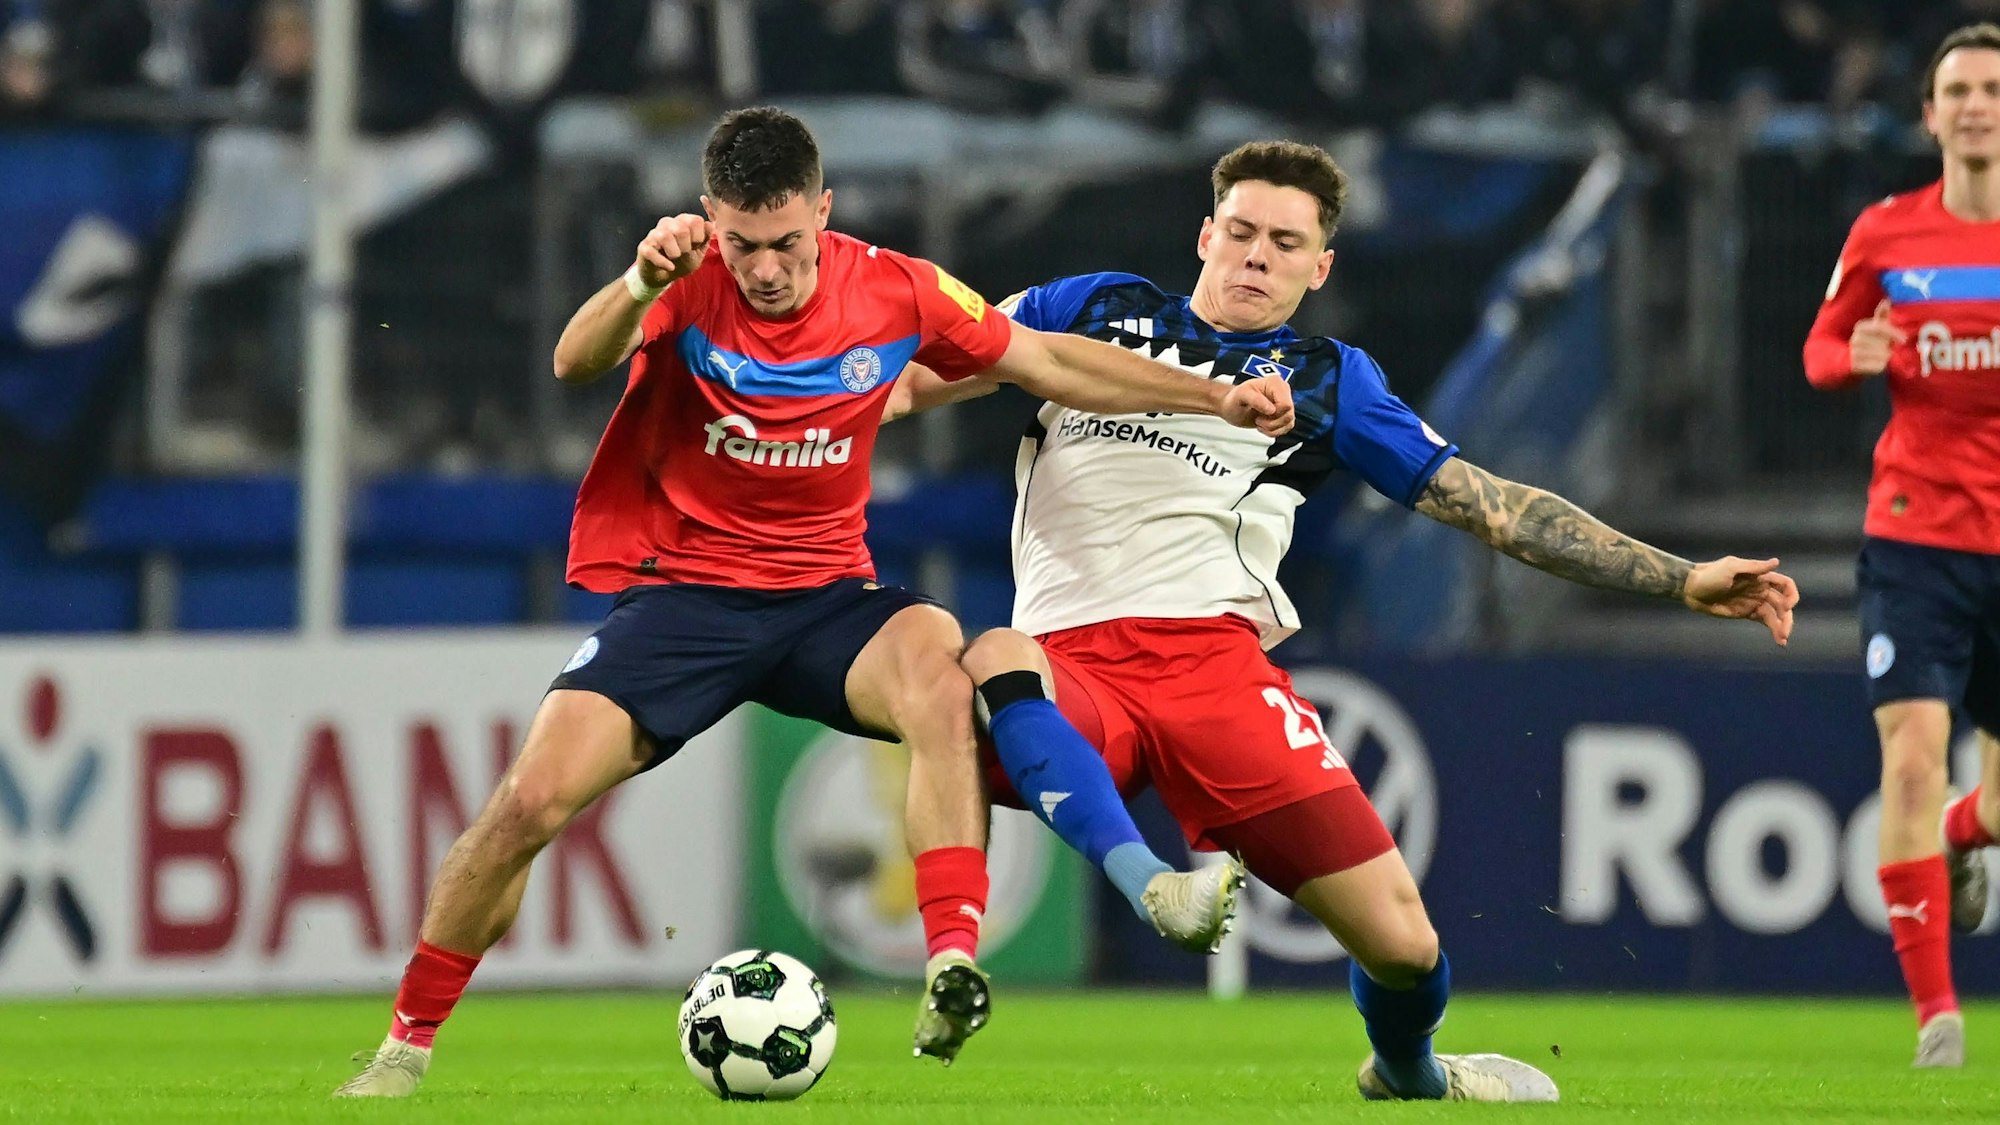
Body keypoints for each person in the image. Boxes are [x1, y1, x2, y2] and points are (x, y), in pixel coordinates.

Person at [333, 106, 1295, 1098]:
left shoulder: (896, 287)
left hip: (826, 598)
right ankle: (406, 1044)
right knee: (524, 806)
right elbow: (574, 361)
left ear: (824, 212)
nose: (765, 269)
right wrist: (639, 281)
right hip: (687, 602)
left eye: (786, 242)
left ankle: (951, 960)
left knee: (940, 672)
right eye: (742, 244)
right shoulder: (684, 282)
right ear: (711, 220)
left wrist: (1212, 397)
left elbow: (1044, 359)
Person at [887, 138, 1800, 1102]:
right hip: (1072, 664)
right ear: (1204, 235)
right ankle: (1141, 886)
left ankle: (1409, 1070)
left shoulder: (1328, 379)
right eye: (1241, 231)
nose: (1256, 255)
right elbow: (907, 380)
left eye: (1285, 243)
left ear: (1319, 268)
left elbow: (1491, 507)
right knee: (991, 653)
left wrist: (1681, 578)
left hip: (1213, 671)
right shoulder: (1088, 308)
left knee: (1405, 947)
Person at [1803, 21, 2000, 1070]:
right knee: (1912, 761)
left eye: (1992, 90)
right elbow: (1819, 345)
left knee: (1988, 803)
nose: (1975, 107)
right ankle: (1937, 1019)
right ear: (1929, 116)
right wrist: (1854, 357)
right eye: (1957, 91)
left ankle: (1969, 832)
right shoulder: (1886, 232)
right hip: (1915, 537)